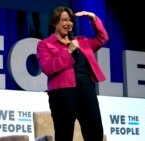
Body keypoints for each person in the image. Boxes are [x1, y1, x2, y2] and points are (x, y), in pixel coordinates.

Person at [36, 6, 109, 141]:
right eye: (64, 20)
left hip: (86, 88)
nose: (68, 23)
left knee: (95, 130)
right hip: (62, 92)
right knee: (64, 133)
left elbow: (102, 38)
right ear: (54, 22)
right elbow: (48, 68)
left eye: (70, 20)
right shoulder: (44, 44)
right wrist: (68, 51)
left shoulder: (81, 41)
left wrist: (93, 18)